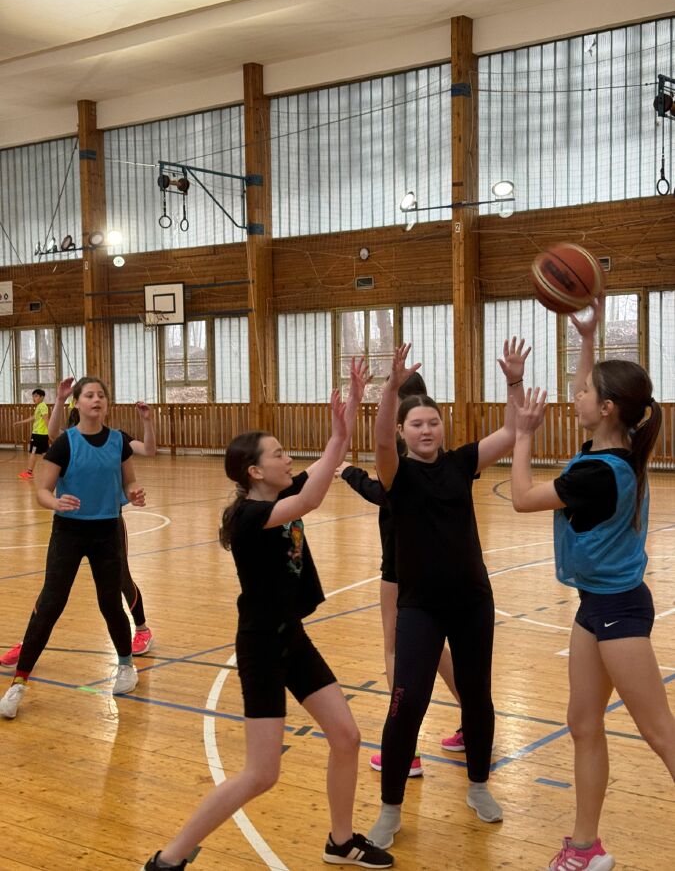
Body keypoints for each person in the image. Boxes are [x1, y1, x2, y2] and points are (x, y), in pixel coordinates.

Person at [141, 359, 394, 871]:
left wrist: (346, 418)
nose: (287, 458)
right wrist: (338, 434)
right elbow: (314, 495)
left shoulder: (277, 494)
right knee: (261, 774)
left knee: (346, 736)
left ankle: (341, 842)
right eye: (278, 454)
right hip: (260, 645)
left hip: (290, 637)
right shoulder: (251, 515)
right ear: (254, 471)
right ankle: (167, 859)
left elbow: (323, 465)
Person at [510, 298, 675, 871]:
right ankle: (585, 849)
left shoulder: (594, 474)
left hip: (618, 609)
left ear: (606, 408)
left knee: (661, 734)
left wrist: (523, 435)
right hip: (596, 606)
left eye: (584, 392)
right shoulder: (612, 450)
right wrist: (585, 339)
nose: (574, 394)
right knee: (582, 724)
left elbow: (521, 498)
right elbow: (590, 390)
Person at [367, 338, 530, 849]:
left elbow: (511, 431)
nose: (426, 429)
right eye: (416, 423)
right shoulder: (397, 475)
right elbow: (377, 443)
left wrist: (514, 381)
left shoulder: (461, 463)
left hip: (472, 602)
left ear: (443, 428)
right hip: (420, 607)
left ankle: (479, 785)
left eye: (433, 422)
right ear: (402, 431)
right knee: (406, 703)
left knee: (477, 697)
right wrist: (391, 388)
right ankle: (390, 808)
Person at [338, 371, 463, 780]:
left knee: (395, 651)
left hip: (399, 568)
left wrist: (350, 473)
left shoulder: (403, 460)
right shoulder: (436, 456)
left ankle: (405, 750)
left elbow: (383, 493)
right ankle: (475, 716)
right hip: (436, 568)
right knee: (435, 649)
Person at [0, 376, 145, 720]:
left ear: (106, 403)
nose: (96, 400)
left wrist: (135, 493)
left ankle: (126, 665)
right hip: (69, 531)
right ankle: (19, 683)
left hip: (107, 530)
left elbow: (130, 481)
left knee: (109, 601)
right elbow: (42, 489)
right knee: (50, 603)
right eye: (89, 395)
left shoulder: (118, 442)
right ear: (77, 403)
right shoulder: (65, 443)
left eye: (101, 395)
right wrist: (55, 502)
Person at [15, 387, 50, 480]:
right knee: (45, 453)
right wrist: (21, 422)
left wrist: (50, 432)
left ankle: (29, 473)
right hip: (42, 435)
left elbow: (46, 419)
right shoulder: (40, 406)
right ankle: (56, 470)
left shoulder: (42, 406)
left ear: (42, 397)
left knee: (33, 452)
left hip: (38, 435)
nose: (34, 398)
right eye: (33, 396)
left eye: (36, 396)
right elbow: (33, 417)